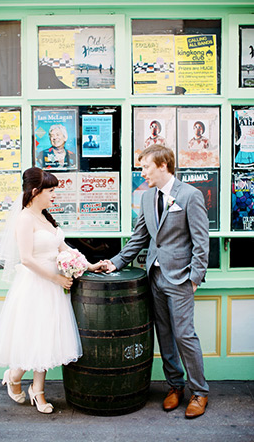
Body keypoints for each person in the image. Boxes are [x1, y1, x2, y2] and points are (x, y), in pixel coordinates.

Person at [101, 144, 210, 419]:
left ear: (163, 165)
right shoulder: (147, 198)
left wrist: (194, 278)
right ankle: (175, 386)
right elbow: (139, 238)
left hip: (181, 278)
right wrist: (115, 262)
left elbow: (201, 242)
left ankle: (200, 392)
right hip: (155, 277)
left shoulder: (190, 195)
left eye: (146, 167)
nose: (142, 172)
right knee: (164, 335)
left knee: (184, 335)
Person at [0, 167, 101, 414]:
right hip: (36, 285)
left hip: (53, 286)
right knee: (35, 337)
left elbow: (63, 247)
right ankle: (15, 376)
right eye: (51, 191)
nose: (54, 195)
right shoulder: (25, 219)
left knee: (47, 338)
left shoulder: (45, 217)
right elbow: (26, 258)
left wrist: (90, 264)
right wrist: (56, 279)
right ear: (36, 191)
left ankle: (37, 391)